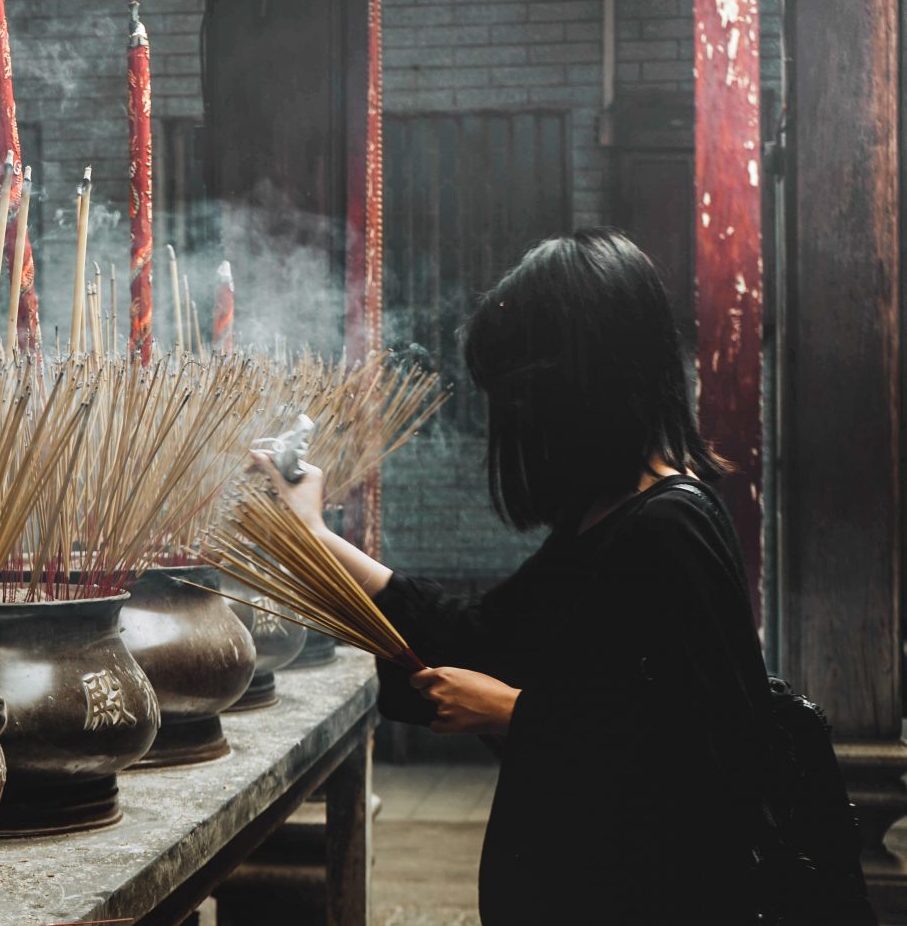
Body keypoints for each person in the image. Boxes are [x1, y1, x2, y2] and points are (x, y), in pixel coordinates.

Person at [252, 228, 771, 924]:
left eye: (522, 403)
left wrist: (514, 714)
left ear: (584, 391)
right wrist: (314, 539)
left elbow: (706, 756)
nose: (515, 429)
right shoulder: (604, 519)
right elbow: (483, 637)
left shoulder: (669, 529)